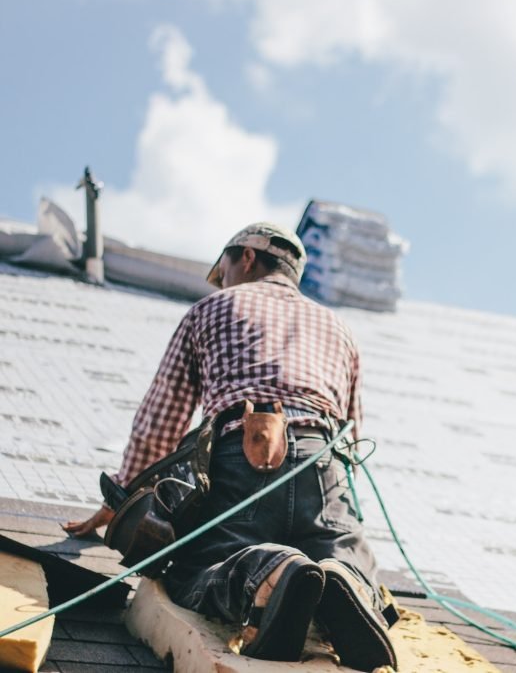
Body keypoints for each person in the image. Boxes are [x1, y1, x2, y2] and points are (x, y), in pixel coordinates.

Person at [63, 222, 397, 671]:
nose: (221, 280)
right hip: (324, 461)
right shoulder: (339, 328)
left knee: (197, 567)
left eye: (222, 270)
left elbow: (161, 419)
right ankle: (345, 580)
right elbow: (353, 433)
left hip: (241, 455)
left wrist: (122, 498)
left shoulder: (213, 308)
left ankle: (271, 574)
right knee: (339, 553)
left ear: (245, 258)